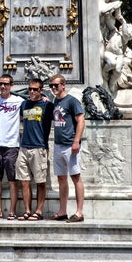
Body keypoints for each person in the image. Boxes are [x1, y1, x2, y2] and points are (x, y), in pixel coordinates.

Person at [0, 75, 23, 219]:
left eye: (5, 84)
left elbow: (34, 101)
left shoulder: (18, 100)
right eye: (0, 84)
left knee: (13, 180)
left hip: (12, 145)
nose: (2, 87)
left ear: (11, 85)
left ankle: (12, 211)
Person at [49, 75, 85, 222]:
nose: (53, 88)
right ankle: (63, 210)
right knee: (61, 178)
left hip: (70, 144)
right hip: (58, 144)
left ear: (64, 85)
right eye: (51, 85)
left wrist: (76, 141)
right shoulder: (55, 101)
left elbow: (81, 120)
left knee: (75, 177)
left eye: (56, 85)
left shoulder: (71, 101)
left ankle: (79, 212)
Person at [16, 77, 54, 220]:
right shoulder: (24, 104)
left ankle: (38, 211)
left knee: (40, 181)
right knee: (24, 181)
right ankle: (27, 210)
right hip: (24, 146)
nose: (31, 92)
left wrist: (46, 98)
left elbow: (58, 109)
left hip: (39, 146)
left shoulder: (47, 105)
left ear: (41, 90)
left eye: (35, 89)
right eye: (30, 89)